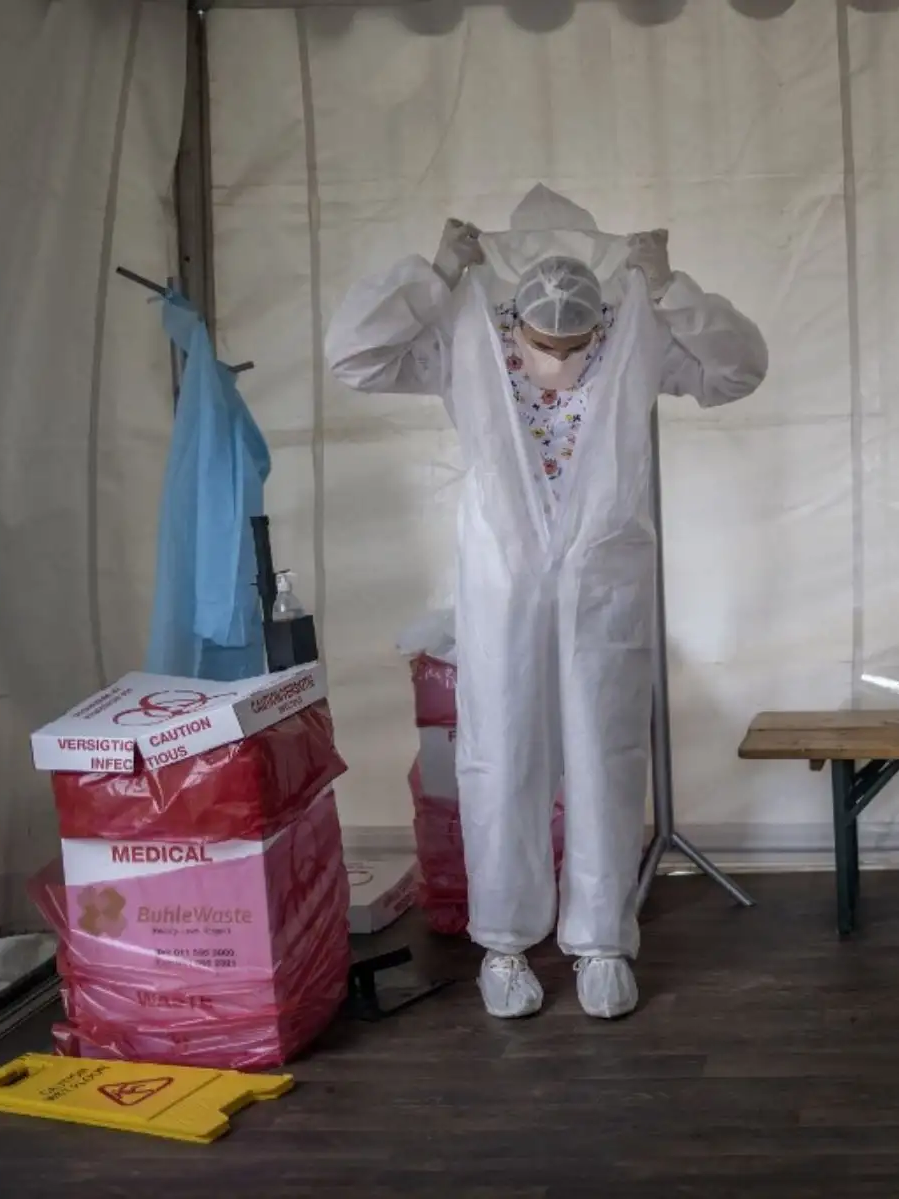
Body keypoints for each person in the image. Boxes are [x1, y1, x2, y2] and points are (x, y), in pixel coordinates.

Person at [326, 187, 768, 1020]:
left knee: (605, 752)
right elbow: (356, 356)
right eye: (543, 342)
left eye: (576, 342)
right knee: (502, 754)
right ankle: (504, 943)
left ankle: (602, 941)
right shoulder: (466, 338)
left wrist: (671, 288)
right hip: (504, 578)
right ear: (514, 321)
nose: (559, 356)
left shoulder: (634, 333)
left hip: (604, 577)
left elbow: (737, 369)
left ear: (601, 321)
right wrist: (432, 275)